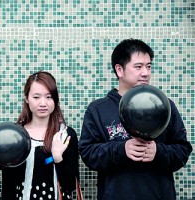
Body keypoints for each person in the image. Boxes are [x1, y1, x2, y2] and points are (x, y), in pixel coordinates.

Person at [79, 38, 193, 200]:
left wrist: (158, 152)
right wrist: (121, 150)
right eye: (138, 67)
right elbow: (88, 154)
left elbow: (182, 150)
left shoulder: (164, 105)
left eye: (148, 66)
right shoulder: (98, 110)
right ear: (119, 70)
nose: (146, 72)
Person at [1, 71, 80, 200]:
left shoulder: (66, 135)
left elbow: (70, 186)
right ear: (26, 98)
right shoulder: (15, 136)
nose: (43, 103)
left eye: (48, 97)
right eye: (36, 97)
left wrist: (58, 157)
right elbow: (8, 186)